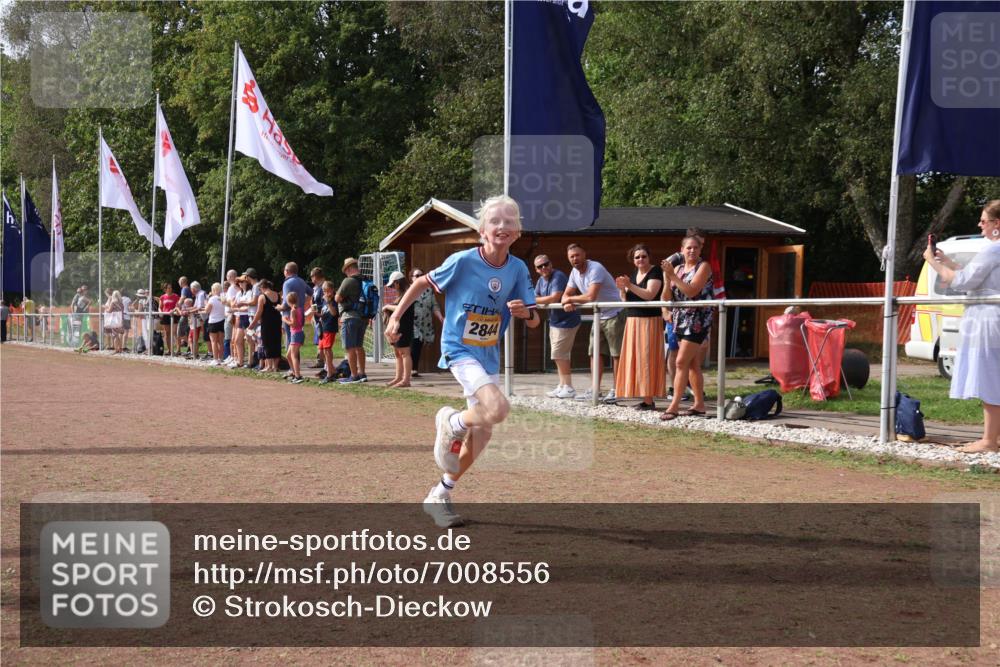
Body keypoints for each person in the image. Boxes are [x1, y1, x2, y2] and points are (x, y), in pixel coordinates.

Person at [386, 195, 539, 528]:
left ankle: (438, 494)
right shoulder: (463, 261)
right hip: (459, 348)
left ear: (517, 232)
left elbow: (534, 320)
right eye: (495, 221)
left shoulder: (517, 269)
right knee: (497, 409)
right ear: (482, 229)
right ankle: (453, 422)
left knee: (483, 433)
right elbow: (421, 283)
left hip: (488, 354)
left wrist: (526, 313)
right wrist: (396, 317)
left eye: (509, 221)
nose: (502, 226)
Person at [924, 200, 1000, 453]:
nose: (980, 225)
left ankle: (989, 441)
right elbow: (978, 277)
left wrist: (933, 263)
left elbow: (964, 282)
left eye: (984, 220)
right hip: (991, 316)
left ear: (996, 224)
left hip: (988, 319)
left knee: (990, 378)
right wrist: (948, 262)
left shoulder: (993, 248)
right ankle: (991, 438)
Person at [561, 243, 625, 403]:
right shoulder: (574, 272)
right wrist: (566, 301)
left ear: (584, 254)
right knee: (594, 353)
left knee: (616, 354)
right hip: (598, 315)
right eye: (571, 257)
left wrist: (571, 299)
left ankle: (617, 390)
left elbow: (590, 296)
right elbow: (566, 294)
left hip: (614, 313)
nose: (575, 259)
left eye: (577, 255)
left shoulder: (595, 268)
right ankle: (595, 389)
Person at [660, 232, 713, 421]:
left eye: (695, 247)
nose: (692, 250)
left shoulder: (703, 266)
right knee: (691, 364)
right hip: (680, 320)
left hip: (697, 320)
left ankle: (673, 406)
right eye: (688, 247)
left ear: (700, 250)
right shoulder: (679, 268)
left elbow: (692, 291)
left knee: (680, 362)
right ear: (681, 250)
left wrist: (672, 276)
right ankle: (699, 404)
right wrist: (668, 279)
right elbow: (667, 297)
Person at [615, 244, 666, 409]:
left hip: (649, 321)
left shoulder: (655, 271)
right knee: (636, 359)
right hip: (633, 320)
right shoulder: (634, 274)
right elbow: (626, 300)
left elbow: (650, 295)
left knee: (647, 359)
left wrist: (629, 285)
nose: (640, 259)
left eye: (643, 256)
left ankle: (649, 400)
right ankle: (643, 397)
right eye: (637, 257)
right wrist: (622, 290)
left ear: (649, 257)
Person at [534, 254, 581, 398]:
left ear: (551, 264)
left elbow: (554, 297)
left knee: (559, 354)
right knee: (558, 355)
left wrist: (535, 300)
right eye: (539, 266)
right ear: (536, 270)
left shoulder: (558, 276)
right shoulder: (541, 280)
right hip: (555, 322)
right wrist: (536, 300)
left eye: (545, 264)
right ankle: (562, 385)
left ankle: (569, 387)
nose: (543, 268)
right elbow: (534, 296)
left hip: (567, 321)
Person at [336, 257, 368, 383]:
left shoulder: (348, 281)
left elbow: (337, 298)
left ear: (349, 269)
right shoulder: (365, 280)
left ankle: (354, 376)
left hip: (350, 317)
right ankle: (362, 373)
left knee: (350, 347)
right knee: (359, 346)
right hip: (363, 318)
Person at [382, 271, 415, 388]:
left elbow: (402, 307)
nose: (392, 288)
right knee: (398, 353)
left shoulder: (408, 293)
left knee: (405, 353)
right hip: (398, 325)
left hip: (404, 326)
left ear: (398, 283)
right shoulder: (401, 294)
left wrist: (387, 306)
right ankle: (398, 377)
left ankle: (406, 380)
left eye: (393, 285)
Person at [409, 267, 444, 378]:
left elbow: (434, 305)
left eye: (421, 275)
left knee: (418, 345)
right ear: (412, 278)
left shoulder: (429, 290)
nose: (419, 277)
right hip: (412, 322)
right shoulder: (409, 290)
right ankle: (411, 369)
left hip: (425, 323)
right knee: (415, 342)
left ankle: (414, 368)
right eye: (417, 276)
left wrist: (440, 317)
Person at [248, 279, 283, 373]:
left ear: (261, 287)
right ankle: (275, 367)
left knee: (267, 343)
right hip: (277, 322)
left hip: (266, 323)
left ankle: (269, 366)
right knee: (276, 343)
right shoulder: (278, 295)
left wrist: (251, 325)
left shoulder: (262, 297)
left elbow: (258, 313)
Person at [313, 280, 339, 384]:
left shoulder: (334, 300)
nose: (326, 293)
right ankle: (332, 370)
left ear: (332, 290)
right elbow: (324, 314)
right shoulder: (324, 301)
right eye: (324, 291)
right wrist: (317, 314)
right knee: (323, 350)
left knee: (327, 349)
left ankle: (330, 374)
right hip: (324, 328)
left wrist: (328, 302)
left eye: (328, 291)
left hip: (330, 328)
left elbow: (334, 313)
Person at [283, 291, 305, 383]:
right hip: (298, 333)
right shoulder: (299, 308)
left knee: (293, 356)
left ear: (288, 301)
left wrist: (285, 320)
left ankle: (298, 376)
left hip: (295, 333)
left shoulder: (293, 310)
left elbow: (294, 324)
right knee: (288, 355)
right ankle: (294, 372)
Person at [203, 282, 226, 365]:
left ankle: (215, 359)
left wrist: (206, 303)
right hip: (222, 320)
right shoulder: (223, 298)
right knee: (221, 341)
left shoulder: (212, 299)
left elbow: (207, 310)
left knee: (214, 341)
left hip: (213, 321)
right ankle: (221, 358)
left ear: (213, 290)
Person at [310, 267, 327, 371]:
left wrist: (318, 314)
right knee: (319, 338)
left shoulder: (323, 287)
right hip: (317, 316)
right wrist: (313, 313)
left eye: (312, 277)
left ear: (315, 277)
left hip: (322, 317)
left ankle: (321, 360)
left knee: (322, 337)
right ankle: (320, 359)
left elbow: (323, 303)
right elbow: (314, 302)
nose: (312, 280)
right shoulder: (316, 288)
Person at [159, 282, 180, 356]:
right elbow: (160, 307)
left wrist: (173, 310)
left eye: (170, 287)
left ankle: (178, 350)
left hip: (173, 315)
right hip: (165, 315)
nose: (169, 289)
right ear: (165, 289)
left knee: (174, 332)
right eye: (168, 288)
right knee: (167, 333)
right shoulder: (162, 297)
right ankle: (170, 350)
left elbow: (178, 305)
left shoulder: (175, 296)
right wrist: (160, 312)